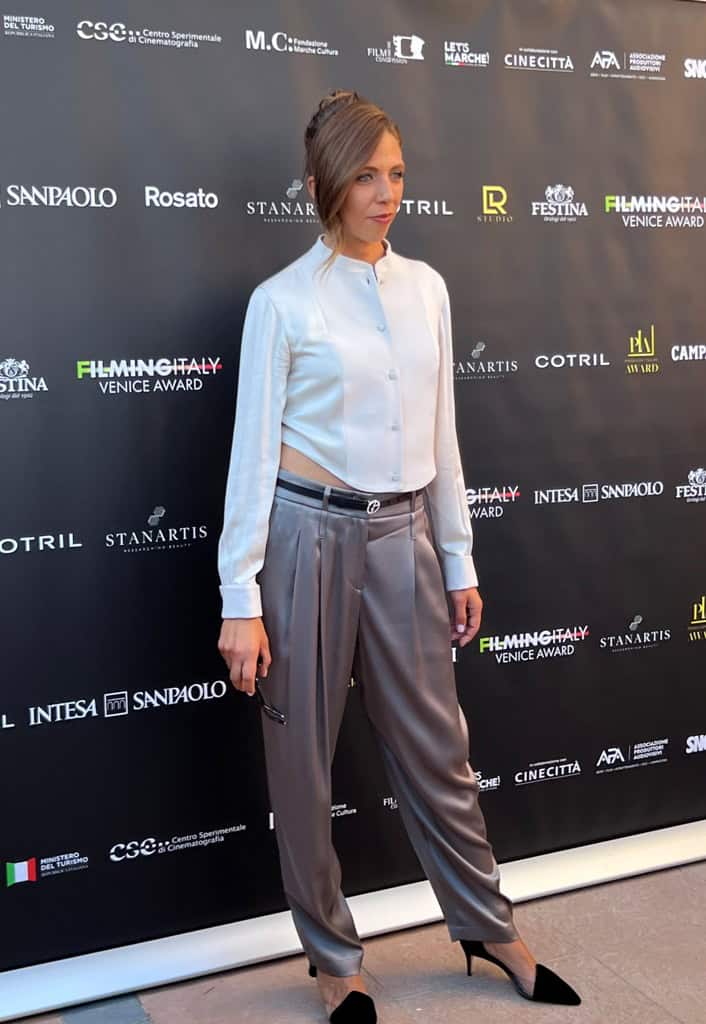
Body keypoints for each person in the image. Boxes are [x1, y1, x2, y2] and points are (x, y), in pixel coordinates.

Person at [217, 90, 581, 1023]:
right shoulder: (281, 303)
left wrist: (458, 559)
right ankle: (334, 960)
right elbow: (253, 457)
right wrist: (239, 597)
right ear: (323, 185)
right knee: (303, 764)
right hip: (303, 537)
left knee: (438, 748)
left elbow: (441, 434)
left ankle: (488, 926)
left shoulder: (427, 288)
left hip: (404, 535)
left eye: (397, 175)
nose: (386, 195)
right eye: (366, 177)